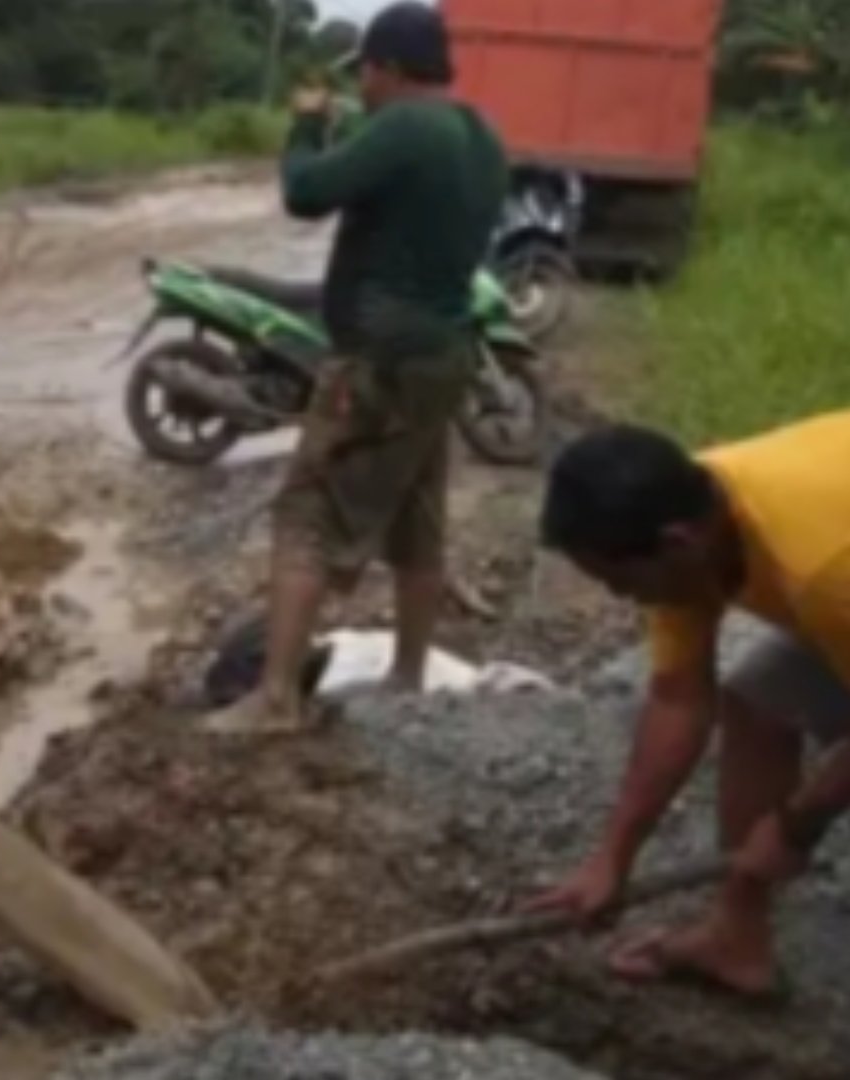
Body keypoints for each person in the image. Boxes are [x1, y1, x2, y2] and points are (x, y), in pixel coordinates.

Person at [201, 1, 509, 734]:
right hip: (443, 355)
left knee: (307, 513)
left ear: (389, 68)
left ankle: (274, 698)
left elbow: (306, 192)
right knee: (417, 520)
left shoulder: (404, 126)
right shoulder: (480, 135)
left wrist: (307, 124)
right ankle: (408, 678)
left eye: (366, 73)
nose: (362, 87)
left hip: (379, 361)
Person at [526, 414, 850, 998]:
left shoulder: (822, 567)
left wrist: (798, 825)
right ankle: (736, 937)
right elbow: (679, 699)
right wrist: (613, 857)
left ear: (677, 542)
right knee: (760, 699)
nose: (621, 597)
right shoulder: (696, 524)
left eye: (619, 582)